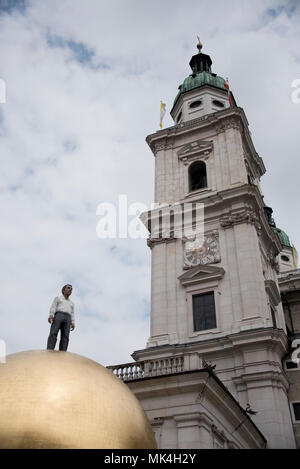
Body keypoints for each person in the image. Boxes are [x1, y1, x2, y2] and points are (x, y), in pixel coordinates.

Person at [47, 284, 75, 352]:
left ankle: (63, 351)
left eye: (71, 289)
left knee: (65, 336)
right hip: (59, 315)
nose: (70, 290)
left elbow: (72, 313)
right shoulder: (58, 298)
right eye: (68, 288)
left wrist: (73, 322)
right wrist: (51, 315)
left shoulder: (71, 303)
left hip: (68, 317)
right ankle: (50, 349)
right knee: (54, 332)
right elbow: (53, 306)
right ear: (64, 290)